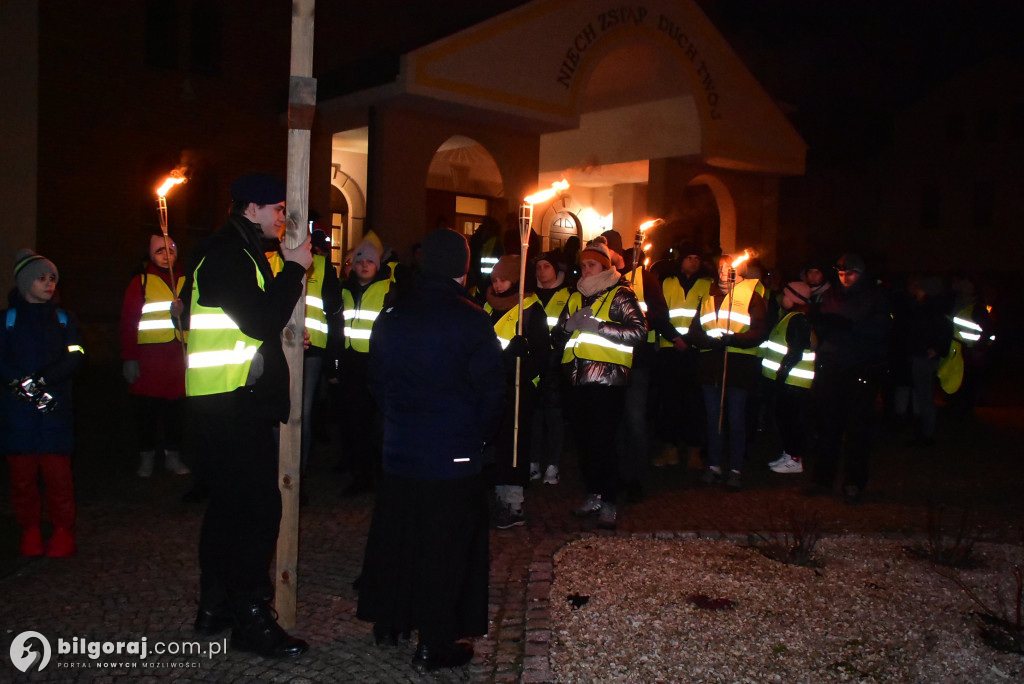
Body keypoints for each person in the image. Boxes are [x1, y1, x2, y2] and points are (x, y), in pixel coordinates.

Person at [357, 227, 505, 672]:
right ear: (462, 267)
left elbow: (377, 381)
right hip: (452, 454)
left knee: (399, 536)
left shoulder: (393, 314)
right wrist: (478, 439)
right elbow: (491, 394)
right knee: (445, 545)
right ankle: (435, 640)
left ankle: (391, 620)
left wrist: (401, 424)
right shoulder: (472, 319)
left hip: (401, 450)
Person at [185, 173, 310, 658]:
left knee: (229, 512)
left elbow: (251, 325)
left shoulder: (238, 252)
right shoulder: (225, 255)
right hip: (231, 405)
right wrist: (294, 271)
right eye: (276, 208)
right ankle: (251, 620)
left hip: (233, 402)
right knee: (256, 514)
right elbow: (258, 317)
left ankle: (215, 606)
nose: (283, 217)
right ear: (251, 209)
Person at [552, 236, 647, 529]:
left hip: (607, 380)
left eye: (591, 264)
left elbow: (639, 333)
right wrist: (567, 326)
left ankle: (609, 500)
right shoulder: (576, 296)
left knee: (604, 442)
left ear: (604, 266)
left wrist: (600, 327)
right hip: (577, 380)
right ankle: (593, 493)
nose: (585, 270)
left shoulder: (621, 294)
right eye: (582, 265)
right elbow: (558, 336)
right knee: (585, 442)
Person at [1, 250, 84, 558]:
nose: (49, 284)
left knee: (58, 479)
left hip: (55, 414)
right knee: (22, 481)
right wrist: (22, 383)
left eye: (52, 278)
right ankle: (30, 530)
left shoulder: (64, 319)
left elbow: (75, 356)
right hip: (18, 416)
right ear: (25, 283)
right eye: (41, 278)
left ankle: (63, 531)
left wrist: (44, 381)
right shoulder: (7, 321)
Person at [807, 253, 890, 504]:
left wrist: (849, 326)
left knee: (858, 429)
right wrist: (820, 321)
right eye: (841, 273)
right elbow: (822, 326)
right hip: (832, 367)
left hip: (859, 368)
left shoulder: (875, 297)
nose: (845, 278)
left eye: (850, 273)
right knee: (828, 427)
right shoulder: (832, 295)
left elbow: (882, 331)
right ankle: (823, 478)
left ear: (861, 273)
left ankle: (854, 480)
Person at [266, 228, 342, 477]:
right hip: (277, 349)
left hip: (312, 352)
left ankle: (296, 475)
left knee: (302, 415)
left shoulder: (321, 266)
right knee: (277, 411)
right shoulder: (270, 261)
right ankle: (276, 472)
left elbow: (333, 314)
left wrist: (333, 362)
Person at [689, 254, 768, 491]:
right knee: (714, 420)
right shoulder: (708, 297)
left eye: (728, 267)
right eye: (721, 267)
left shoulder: (752, 297)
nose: (724, 271)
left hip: (738, 367)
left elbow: (759, 330)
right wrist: (711, 342)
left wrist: (735, 339)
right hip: (711, 366)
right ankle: (713, 466)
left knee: (735, 419)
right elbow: (694, 331)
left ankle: (735, 469)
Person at [483, 254, 549, 528]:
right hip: (492, 385)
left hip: (519, 388)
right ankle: (499, 495)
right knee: (497, 443)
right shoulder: (487, 306)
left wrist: (523, 359)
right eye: (495, 279)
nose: (498, 285)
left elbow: (543, 355)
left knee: (514, 446)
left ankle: (514, 502)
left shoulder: (531, 310)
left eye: (504, 279)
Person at [119, 232, 191, 477]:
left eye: (170, 250)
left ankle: (173, 457)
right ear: (151, 254)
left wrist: (183, 313)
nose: (166, 256)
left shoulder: (186, 281)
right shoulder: (141, 282)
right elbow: (129, 321)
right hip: (149, 360)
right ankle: (146, 458)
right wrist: (129, 358)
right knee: (146, 414)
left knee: (176, 414)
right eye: (160, 251)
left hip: (178, 359)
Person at [338, 236, 400, 495]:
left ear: (378, 265)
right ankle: (361, 476)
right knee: (355, 423)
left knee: (380, 427)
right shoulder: (343, 291)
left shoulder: (390, 290)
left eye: (369, 261)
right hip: (352, 365)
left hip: (379, 366)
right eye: (359, 260)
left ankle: (384, 475)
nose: (364, 265)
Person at [652, 241, 712, 471]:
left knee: (694, 403)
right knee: (669, 401)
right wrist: (675, 337)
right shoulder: (667, 283)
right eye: (689, 258)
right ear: (681, 261)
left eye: (697, 258)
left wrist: (690, 339)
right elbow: (659, 313)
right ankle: (670, 449)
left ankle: (694, 451)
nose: (693, 262)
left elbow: (708, 316)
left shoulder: (708, 285)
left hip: (696, 351)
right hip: (670, 349)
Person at [890, 274, 952, 447]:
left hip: (923, 358)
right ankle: (924, 433)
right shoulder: (928, 308)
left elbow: (940, 331)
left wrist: (935, 349)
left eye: (919, 287)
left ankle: (926, 435)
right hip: (920, 356)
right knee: (923, 395)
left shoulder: (930, 309)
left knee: (925, 397)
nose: (915, 289)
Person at [763, 281, 816, 474]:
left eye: (785, 294)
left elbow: (796, 352)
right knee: (785, 420)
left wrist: (781, 374)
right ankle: (789, 454)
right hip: (788, 382)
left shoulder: (797, 319)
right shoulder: (790, 317)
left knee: (792, 421)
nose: (781, 297)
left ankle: (794, 459)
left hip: (793, 382)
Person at [529, 250, 571, 486]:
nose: (542, 270)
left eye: (547, 266)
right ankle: (533, 462)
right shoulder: (530, 294)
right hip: (534, 361)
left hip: (557, 363)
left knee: (554, 415)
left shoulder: (567, 294)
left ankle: (553, 465)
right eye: (539, 266)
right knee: (534, 415)